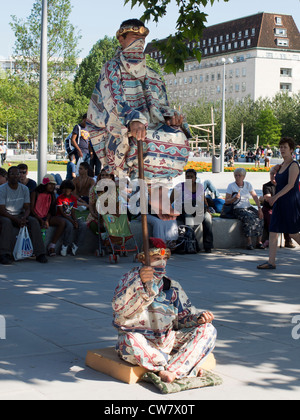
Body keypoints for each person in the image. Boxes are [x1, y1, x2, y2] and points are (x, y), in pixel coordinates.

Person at [86, 19, 190, 215]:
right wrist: (132, 118)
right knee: (143, 139)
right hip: (113, 127)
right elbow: (113, 101)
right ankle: (152, 196)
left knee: (175, 136)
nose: (140, 43)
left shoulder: (153, 75)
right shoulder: (111, 68)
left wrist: (171, 119)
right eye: (135, 38)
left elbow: (161, 105)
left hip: (146, 126)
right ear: (122, 40)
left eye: (142, 39)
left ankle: (159, 197)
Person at [112, 237, 217, 383]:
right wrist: (140, 284)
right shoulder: (129, 280)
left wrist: (198, 319)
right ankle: (171, 365)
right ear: (144, 259)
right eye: (156, 258)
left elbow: (182, 318)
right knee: (129, 340)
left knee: (208, 330)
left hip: (168, 340)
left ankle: (174, 370)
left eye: (164, 258)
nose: (161, 263)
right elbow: (120, 312)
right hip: (142, 341)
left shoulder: (171, 286)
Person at [257, 137, 300, 269]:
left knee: (292, 232)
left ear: (291, 149)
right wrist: (272, 172)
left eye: (285, 147)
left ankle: (271, 261)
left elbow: (290, 185)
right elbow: (276, 182)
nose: (282, 149)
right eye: (281, 147)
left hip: (290, 201)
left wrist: (275, 197)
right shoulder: (281, 166)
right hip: (280, 201)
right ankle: (271, 262)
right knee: (273, 230)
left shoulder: (294, 165)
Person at [0, 166, 47, 265]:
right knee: (7, 223)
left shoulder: (24, 189)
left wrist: (24, 218)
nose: (15, 176)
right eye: (12, 174)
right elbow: (2, 210)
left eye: (17, 174)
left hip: (20, 215)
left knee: (33, 222)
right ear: (8, 176)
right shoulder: (2, 189)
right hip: (5, 215)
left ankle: (40, 253)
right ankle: (5, 254)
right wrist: (16, 220)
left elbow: (27, 207)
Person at [171, 169, 212, 253]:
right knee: (189, 220)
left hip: (197, 210)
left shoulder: (199, 187)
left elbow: (204, 201)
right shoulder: (179, 187)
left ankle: (208, 245)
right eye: (187, 176)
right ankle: (192, 245)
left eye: (191, 177)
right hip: (184, 211)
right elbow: (170, 201)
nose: (189, 178)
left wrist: (208, 210)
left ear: (195, 178)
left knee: (207, 218)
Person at [225, 168, 264, 250]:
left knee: (260, 216)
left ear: (244, 176)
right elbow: (226, 201)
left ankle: (259, 241)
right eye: (236, 175)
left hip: (248, 206)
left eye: (239, 175)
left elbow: (254, 196)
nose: (237, 177)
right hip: (237, 208)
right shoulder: (231, 186)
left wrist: (259, 208)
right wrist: (234, 198)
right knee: (248, 218)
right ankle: (249, 242)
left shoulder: (247, 184)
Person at [30, 174, 67, 257]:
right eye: (50, 184)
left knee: (62, 222)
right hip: (35, 216)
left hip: (46, 217)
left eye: (53, 185)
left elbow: (51, 210)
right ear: (45, 184)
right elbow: (32, 209)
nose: (52, 186)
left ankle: (52, 245)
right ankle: (35, 248)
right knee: (35, 224)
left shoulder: (52, 195)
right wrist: (40, 220)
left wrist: (46, 220)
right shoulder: (35, 193)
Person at [262, 167, 295, 249]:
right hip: (269, 208)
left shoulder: (284, 186)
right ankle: (271, 240)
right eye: (271, 174)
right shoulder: (267, 186)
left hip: (282, 208)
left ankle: (288, 240)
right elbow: (268, 199)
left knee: (288, 217)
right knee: (271, 217)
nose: (273, 175)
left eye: (275, 174)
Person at [56, 180, 86, 256]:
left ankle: (76, 245)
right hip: (62, 216)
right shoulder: (60, 198)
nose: (66, 190)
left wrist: (75, 221)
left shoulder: (73, 199)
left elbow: (73, 212)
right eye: (64, 189)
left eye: (68, 189)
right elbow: (62, 212)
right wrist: (72, 222)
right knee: (69, 225)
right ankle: (65, 245)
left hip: (70, 217)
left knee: (82, 225)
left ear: (71, 189)